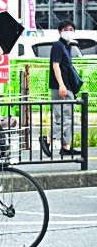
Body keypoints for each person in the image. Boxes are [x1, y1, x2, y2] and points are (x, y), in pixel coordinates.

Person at [40, 19, 83, 157]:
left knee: (68, 117)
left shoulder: (67, 46)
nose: (69, 32)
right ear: (60, 32)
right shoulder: (58, 46)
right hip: (61, 87)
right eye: (66, 30)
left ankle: (66, 146)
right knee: (64, 118)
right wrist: (61, 85)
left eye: (71, 29)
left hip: (67, 87)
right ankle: (47, 139)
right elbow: (55, 65)